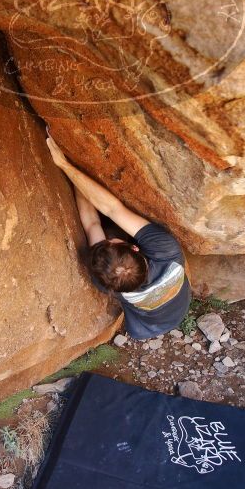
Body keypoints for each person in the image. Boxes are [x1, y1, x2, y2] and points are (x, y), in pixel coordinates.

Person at [46, 134, 191, 340]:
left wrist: (68, 168)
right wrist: (67, 166)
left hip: (149, 320)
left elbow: (92, 223)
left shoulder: (108, 280)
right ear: (134, 248)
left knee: (136, 331)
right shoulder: (166, 251)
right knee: (138, 332)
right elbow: (112, 210)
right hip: (179, 304)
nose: (108, 239)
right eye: (111, 242)